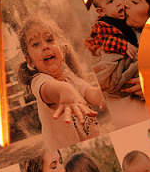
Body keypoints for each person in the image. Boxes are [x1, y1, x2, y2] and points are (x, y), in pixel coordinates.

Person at [17, 14, 106, 149]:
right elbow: (50, 89)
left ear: (62, 50)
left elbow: (93, 95)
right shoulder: (38, 80)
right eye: (35, 44)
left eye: (49, 40)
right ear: (30, 61)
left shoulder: (70, 78)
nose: (45, 47)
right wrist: (65, 90)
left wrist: (107, 90)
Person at [85, 0, 139, 96]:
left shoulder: (125, 17)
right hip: (114, 63)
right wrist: (123, 45)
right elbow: (102, 41)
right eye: (110, 1)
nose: (118, 3)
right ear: (101, 11)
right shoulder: (102, 24)